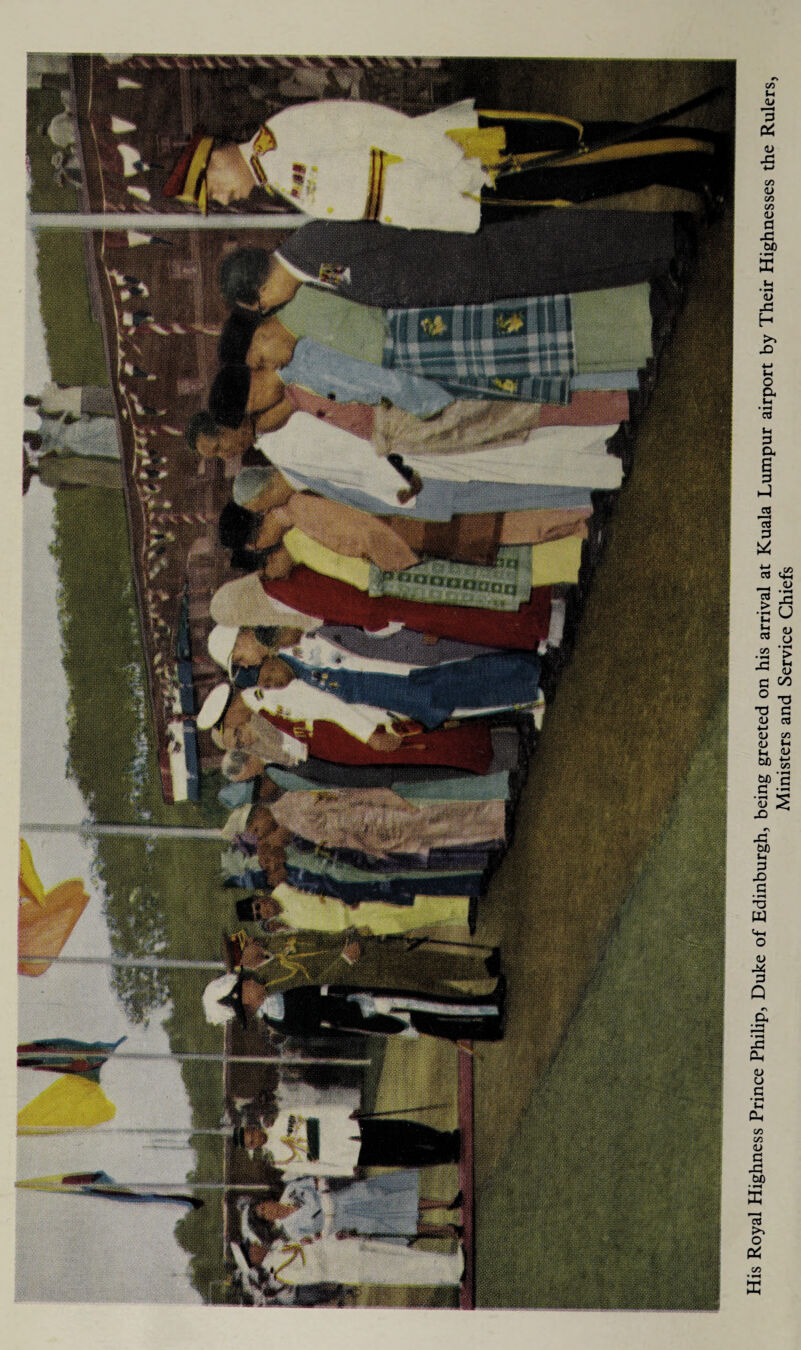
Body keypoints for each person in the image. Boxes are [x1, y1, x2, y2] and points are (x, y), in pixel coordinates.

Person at [217, 211, 686, 311]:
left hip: (462, 252)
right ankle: (658, 259)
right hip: (460, 275)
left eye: (260, 305)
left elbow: (394, 225)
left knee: (564, 246)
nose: (269, 307)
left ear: (258, 291)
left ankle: (669, 233)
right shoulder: (309, 264)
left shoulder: (312, 242)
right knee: (565, 272)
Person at [204, 966, 505, 1042]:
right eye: (244, 982)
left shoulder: (275, 1005)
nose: (252, 980)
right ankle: (487, 1010)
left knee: (425, 1018)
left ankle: (484, 1025)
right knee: (425, 1008)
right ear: (241, 998)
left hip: (360, 1007)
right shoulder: (279, 1012)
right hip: (364, 1010)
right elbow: (328, 1020)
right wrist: (361, 1008)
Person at [251, 1172, 461, 1241]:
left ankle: (446, 1203)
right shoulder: (292, 1230)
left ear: (268, 1200)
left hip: (348, 1197)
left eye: (265, 1206)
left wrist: (323, 1189)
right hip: (348, 1223)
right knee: (396, 1225)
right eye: (265, 1214)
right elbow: (315, 1241)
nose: (269, 1210)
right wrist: (326, 1233)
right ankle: (447, 1230)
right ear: (269, 1221)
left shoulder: (291, 1190)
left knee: (393, 1201)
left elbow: (317, 1182)